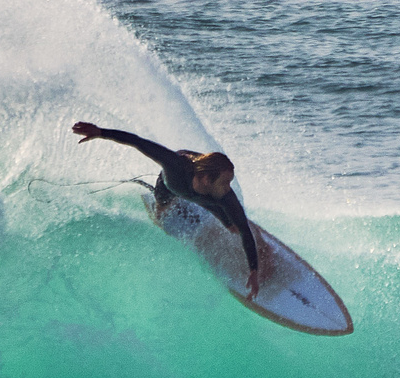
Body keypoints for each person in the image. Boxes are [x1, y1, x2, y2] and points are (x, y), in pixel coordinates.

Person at [72, 121, 263, 295]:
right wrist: (100, 132)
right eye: (225, 182)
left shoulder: (224, 196)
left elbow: (245, 232)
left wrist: (253, 271)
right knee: (160, 218)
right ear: (207, 179)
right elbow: (138, 142)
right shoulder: (175, 166)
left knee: (234, 224)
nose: (228, 188)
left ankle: (246, 237)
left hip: (205, 195)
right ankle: (178, 205)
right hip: (170, 188)